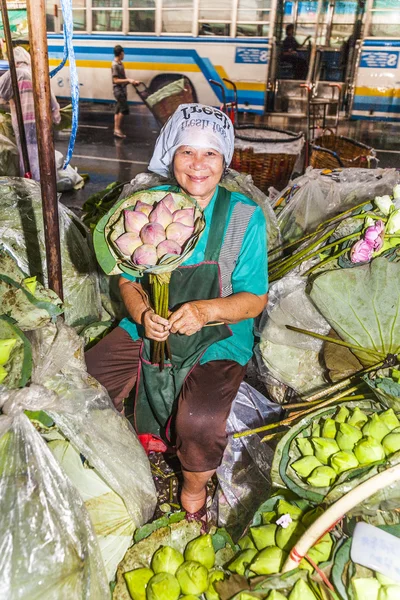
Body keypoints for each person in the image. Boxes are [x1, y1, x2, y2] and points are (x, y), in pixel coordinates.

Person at [86, 103, 269, 529]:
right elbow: (127, 279)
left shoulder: (245, 217)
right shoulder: (145, 209)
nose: (198, 165)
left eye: (211, 154)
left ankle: (193, 489)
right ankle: (118, 460)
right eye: (187, 152)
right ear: (171, 156)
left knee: (201, 420)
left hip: (220, 333)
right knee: (90, 378)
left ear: (225, 159)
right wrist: (142, 310)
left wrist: (204, 311)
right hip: (150, 324)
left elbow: (255, 299)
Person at [0, 46, 61, 181]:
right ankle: (47, 184)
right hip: (42, 121)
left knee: (27, 156)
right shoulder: (36, 73)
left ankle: (33, 186)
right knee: (42, 154)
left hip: (25, 123)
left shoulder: (16, 73)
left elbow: (2, 94)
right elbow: (54, 104)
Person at [112, 45, 138, 139]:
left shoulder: (120, 64)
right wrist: (129, 81)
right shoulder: (115, 65)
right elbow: (115, 80)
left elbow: (123, 78)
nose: (124, 55)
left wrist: (132, 81)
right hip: (119, 91)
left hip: (122, 90)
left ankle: (116, 129)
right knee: (124, 109)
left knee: (118, 109)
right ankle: (117, 129)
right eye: (123, 53)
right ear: (121, 53)